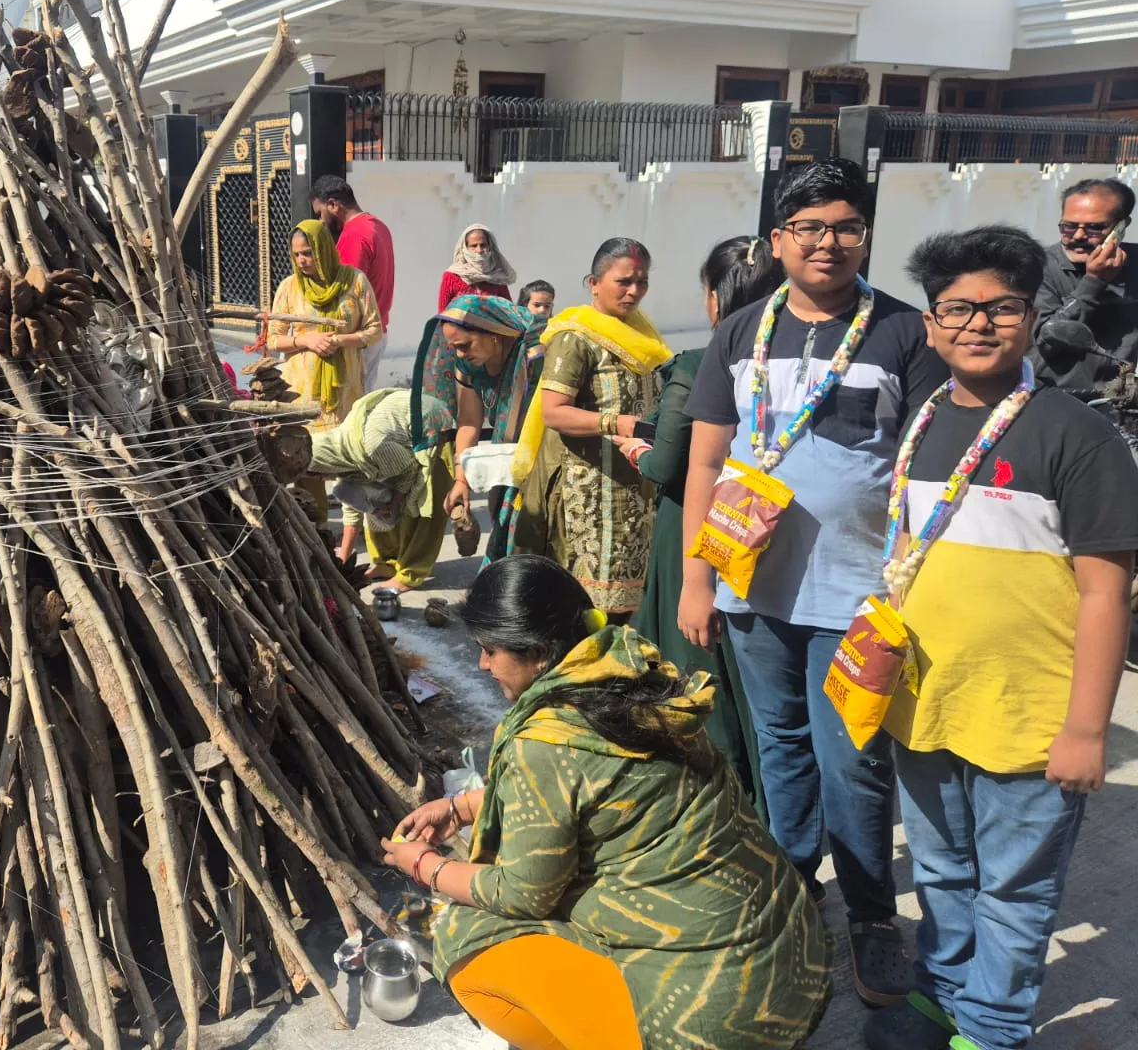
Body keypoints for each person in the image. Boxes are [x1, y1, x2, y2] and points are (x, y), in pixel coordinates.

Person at [678, 157, 947, 1006]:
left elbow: (930, 468)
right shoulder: (740, 331)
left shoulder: (903, 332)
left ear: (865, 236)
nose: (828, 243)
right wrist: (695, 581)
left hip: (858, 592)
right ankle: (794, 890)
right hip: (752, 590)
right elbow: (706, 461)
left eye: (846, 228)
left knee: (854, 760)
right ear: (778, 240)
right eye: (809, 228)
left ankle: (871, 918)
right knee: (781, 746)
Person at [862, 226, 1138, 1050]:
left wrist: (1086, 729)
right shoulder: (922, 423)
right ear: (931, 324)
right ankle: (944, 994)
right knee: (942, 873)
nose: (979, 324)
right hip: (928, 706)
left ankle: (991, 1027)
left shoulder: (1078, 436)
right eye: (958, 308)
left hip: (1029, 718)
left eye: (1002, 307)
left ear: (1032, 317)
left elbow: (1106, 594)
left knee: (1015, 892)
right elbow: (906, 554)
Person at [380, 555, 832, 1050]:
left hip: (715, 1021)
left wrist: (425, 866)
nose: (482, 664)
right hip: (794, 972)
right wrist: (462, 807)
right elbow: (597, 788)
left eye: (490, 650)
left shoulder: (547, 742)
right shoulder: (631, 671)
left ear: (540, 652)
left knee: (463, 932)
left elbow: (522, 895)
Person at [612, 236, 782, 816]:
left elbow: (668, 464)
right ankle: (770, 804)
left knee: (698, 670)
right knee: (757, 685)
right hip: (764, 529)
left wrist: (634, 448)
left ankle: (720, 803)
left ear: (715, 298)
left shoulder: (697, 364)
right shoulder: (789, 370)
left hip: (692, 529)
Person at [512, 238, 671, 618]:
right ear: (594, 283)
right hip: (589, 492)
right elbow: (554, 412)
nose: (634, 291)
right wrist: (615, 422)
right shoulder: (575, 338)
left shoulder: (643, 335)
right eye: (624, 281)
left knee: (631, 603)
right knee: (584, 605)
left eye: (642, 282)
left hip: (636, 485)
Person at [412, 294, 545, 563]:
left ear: (493, 333)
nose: (460, 354)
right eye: (454, 348)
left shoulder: (535, 355)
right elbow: (469, 422)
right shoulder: (468, 364)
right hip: (507, 455)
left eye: (464, 345)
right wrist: (462, 481)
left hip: (544, 455)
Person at [307, 388, 452, 591]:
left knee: (421, 504)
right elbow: (351, 508)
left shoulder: (370, 447)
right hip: (397, 445)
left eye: (319, 475)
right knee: (371, 502)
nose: (322, 479)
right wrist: (343, 559)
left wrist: (397, 500)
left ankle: (411, 573)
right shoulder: (344, 453)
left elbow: (409, 468)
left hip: (431, 427)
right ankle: (387, 562)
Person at [265, 219, 382, 434]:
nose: (301, 260)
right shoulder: (289, 287)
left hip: (346, 388)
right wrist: (306, 340)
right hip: (300, 391)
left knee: (343, 444)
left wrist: (339, 340)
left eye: (308, 253)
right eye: (296, 254)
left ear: (324, 249)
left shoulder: (354, 281)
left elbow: (374, 330)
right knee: (304, 448)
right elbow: (272, 338)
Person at [1031, 176, 1138, 390]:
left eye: (1094, 228)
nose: (1079, 236)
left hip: (1119, 399)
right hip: (1056, 396)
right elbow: (1048, 339)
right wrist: (1094, 282)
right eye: (1069, 227)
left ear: (1121, 226)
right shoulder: (1038, 267)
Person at [312, 175, 395, 390]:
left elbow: (345, 294)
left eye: (320, 213)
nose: (321, 222)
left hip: (356, 338)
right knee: (362, 399)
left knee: (349, 403)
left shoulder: (354, 235)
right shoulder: (378, 226)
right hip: (375, 332)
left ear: (333, 205)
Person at [438, 224, 516, 310]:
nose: (479, 250)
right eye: (474, 246)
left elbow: (510, 312)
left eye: (483, 245)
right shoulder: (451, 276)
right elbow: (442, 312)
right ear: (465, 248)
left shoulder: (498, 277)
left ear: (490, 247)